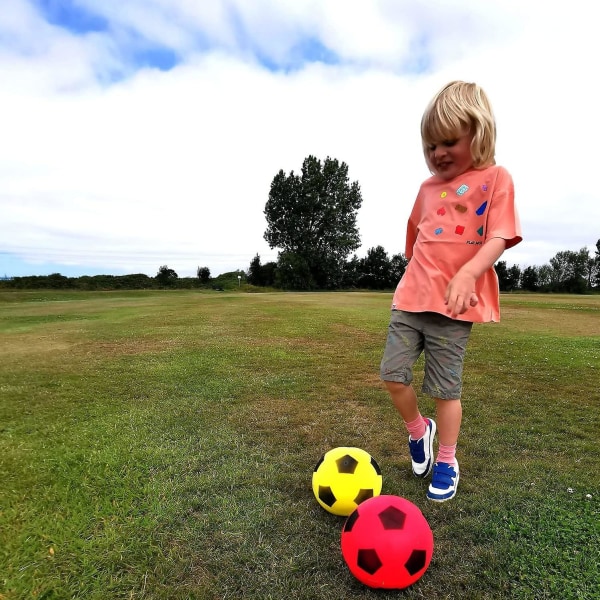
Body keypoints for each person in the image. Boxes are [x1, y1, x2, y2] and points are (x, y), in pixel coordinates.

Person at [380, 81, 522, 502]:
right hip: (410, 300)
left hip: (454, 309)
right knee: (391, 375)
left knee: (445, 390)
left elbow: (499, 235)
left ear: (477, 135)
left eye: (448, 142)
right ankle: (418, 431)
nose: (437, 153)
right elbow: (416, 243)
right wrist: (416, 276)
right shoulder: (425, 190)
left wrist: (467, 274)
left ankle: (446, 458)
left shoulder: (496, 178)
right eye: (429, 146)